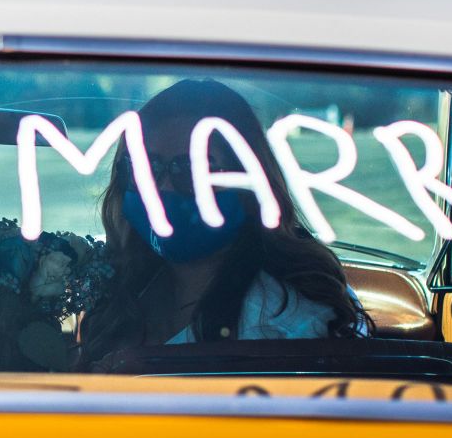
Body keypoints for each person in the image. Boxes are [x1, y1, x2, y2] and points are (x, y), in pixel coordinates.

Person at [78, 78, 369, 365]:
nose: (162, 187)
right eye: (144, 167)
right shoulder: (125, 288)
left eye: (191, 168)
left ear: (249, 179)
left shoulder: (291, 322)